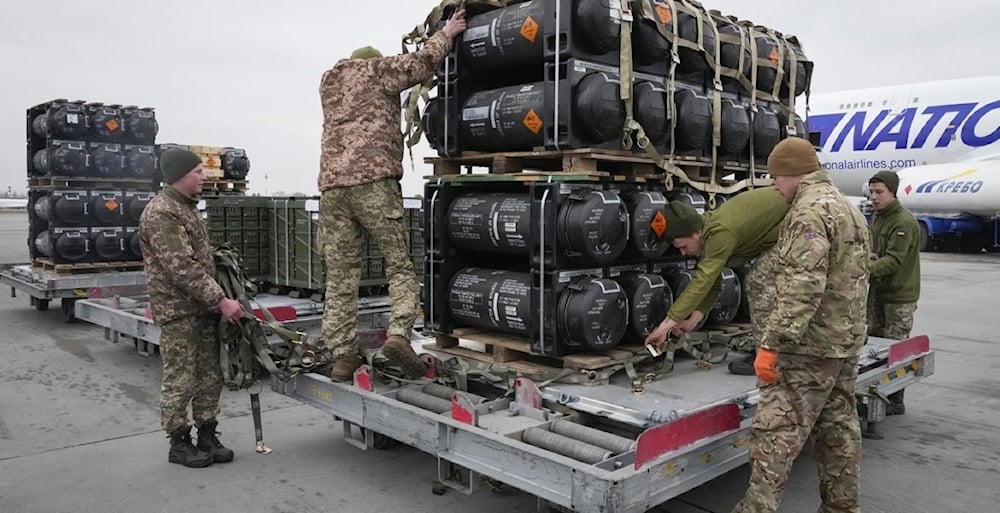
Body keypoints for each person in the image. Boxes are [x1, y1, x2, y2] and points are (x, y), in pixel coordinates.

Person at [317, 10, 467, 382]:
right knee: (398, 264)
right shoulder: (377, 72)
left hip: (333, 189)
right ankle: (399, 336)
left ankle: (342, 357)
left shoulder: (329, 84)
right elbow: (420, 63)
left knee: (340, 278)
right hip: (374, 183)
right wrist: (446, 33)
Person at [732, 137, 871, 513]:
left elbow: (802, 285)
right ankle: (842, 507)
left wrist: (772, 343)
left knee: (775, 434)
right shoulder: (849, 208)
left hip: (807, 348)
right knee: (838, 429)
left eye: (775, 178)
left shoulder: (808, 211)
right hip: (844, 343)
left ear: (791, 174)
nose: (775, 186)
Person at [140, 148, 245, 468]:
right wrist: (220, 299)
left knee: (210, 375)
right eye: (198, 172)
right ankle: (179, 441)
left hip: (201, 309)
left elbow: (200, 259)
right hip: (180, 311)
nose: (204, 177)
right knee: (181, 377)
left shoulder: (186, 209)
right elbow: (181, 266)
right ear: (179, 175)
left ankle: (207, 433)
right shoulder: (162, 213)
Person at [644, 187, 790, 375]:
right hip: (785, 229)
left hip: (799, 222)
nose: (683, 253)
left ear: (696, 233)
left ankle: (770, 358)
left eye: (683, 246)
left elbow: (703, 281)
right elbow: (713, 281)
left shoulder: (719, 232)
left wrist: (665, 326)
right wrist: (692, 320)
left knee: (759, 281)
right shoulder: (708, 232)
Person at [867, 170, 921, 416]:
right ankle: (877, 394)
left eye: (879, 192)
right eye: (871, 192)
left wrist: (862, 269)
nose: (874, 198)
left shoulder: (903, 222)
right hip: (879, 292)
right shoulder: (879, 217)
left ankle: (896, 399)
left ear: (892, 192)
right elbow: (877, 252)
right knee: (875, 346)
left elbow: (893, 261)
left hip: (899, 296)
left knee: (896, 349)